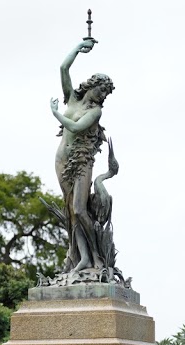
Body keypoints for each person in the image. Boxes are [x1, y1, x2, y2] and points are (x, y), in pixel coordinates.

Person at [49, 37, 114, 273]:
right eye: (102, 89)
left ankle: (97, 257)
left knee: (79, 208)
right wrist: (78, 48)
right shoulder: (72, 99)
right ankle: (82, 257)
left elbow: (75, 128)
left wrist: (55, 113)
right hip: (62, 160)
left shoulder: (94, 112)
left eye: (106, 94)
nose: (103, 95)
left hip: (82, 162)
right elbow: (63, 68)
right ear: (92, 84)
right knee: (70, 211)